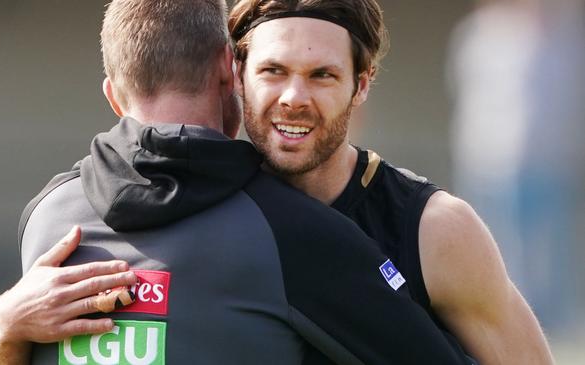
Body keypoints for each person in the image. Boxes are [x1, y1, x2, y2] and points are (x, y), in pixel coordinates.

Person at [0, 0, 469, 364]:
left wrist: (3, 332)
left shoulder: (47, 219)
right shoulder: (292, 231)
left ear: (113, 94)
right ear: (228, 71)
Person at [227, 0, 553, 364]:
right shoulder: (209, 212)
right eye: (273, 70)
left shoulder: (435, 231)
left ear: (361, 84)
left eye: (322, 75)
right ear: (238, 75)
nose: (294, 98)